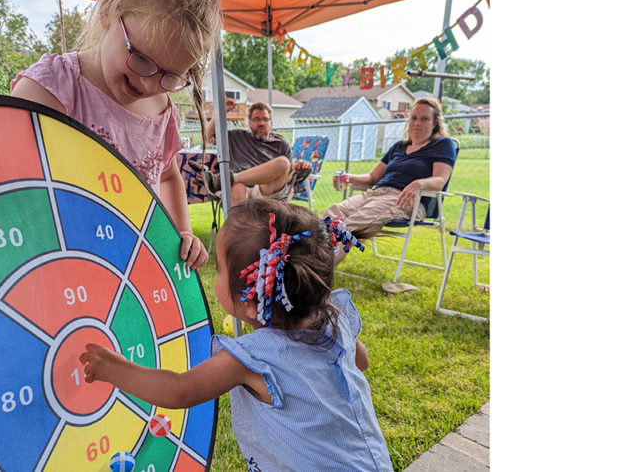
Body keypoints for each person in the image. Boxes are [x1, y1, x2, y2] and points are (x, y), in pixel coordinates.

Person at [80, 198, 394, 472]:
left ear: (251, 301)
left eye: (219, 270)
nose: (214, 278)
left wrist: (114, 369)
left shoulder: (253, 357)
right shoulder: (334, 320)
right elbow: (360, 362)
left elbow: (178, 391)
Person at [9, 0, 220, 270]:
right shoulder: (53, 89)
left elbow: (168, 176)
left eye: (170, 76)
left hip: (129, 267)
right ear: (108, 12)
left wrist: (184, 230)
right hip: (58, 261)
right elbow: (12, 184)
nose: (147, 83)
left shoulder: (162, 110)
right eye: (142, 58)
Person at [324, 97, 456, 265]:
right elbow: (372, 178)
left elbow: (440, 179)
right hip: (376, 194)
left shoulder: (442, 144)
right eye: (414, 118)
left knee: (356, 222)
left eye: (424, 119)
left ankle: (319, 270)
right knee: (333, 214)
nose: (417, 123)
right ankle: (308, 260)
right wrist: (350, 178)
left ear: (435, 123)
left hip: (406, 199)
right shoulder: (398, 147)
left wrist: (418, 184)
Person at [199, 99, 312, 205]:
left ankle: (227, 178)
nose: (261, 123)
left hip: (267, 191)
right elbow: (206, 138)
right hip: (240, 189)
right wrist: (221, 111)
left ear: (270, 123)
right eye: (256, 119)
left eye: (265, 119)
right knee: (237, 189)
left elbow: (287, 178)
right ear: (249, 123)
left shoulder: (281, 144)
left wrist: (299, 169)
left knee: (283, 163)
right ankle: (236, 225)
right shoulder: (236, 137)